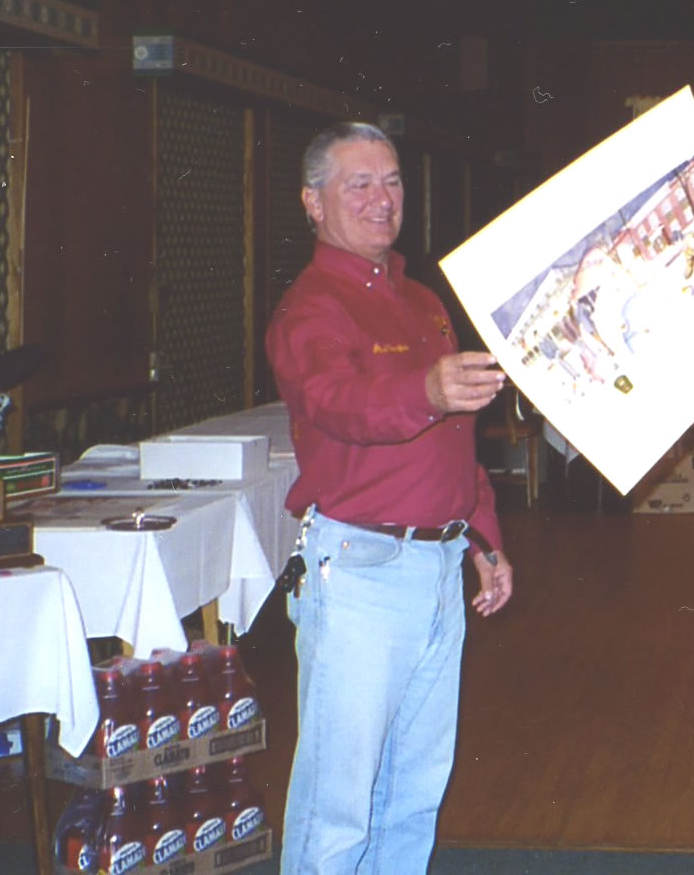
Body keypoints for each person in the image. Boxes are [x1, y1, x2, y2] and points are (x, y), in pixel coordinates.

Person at [265, 120, 514, 875]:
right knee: (337, 806)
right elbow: (338, 402)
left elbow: (454, 440)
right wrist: (426, 389)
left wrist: (483, 537)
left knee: (413, 793)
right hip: (361, 574)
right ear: (313, 202)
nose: (383, 198)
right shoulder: (311, 307)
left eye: (394, 180)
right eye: (361, 183)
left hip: (437, 570)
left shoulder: (422, 299)